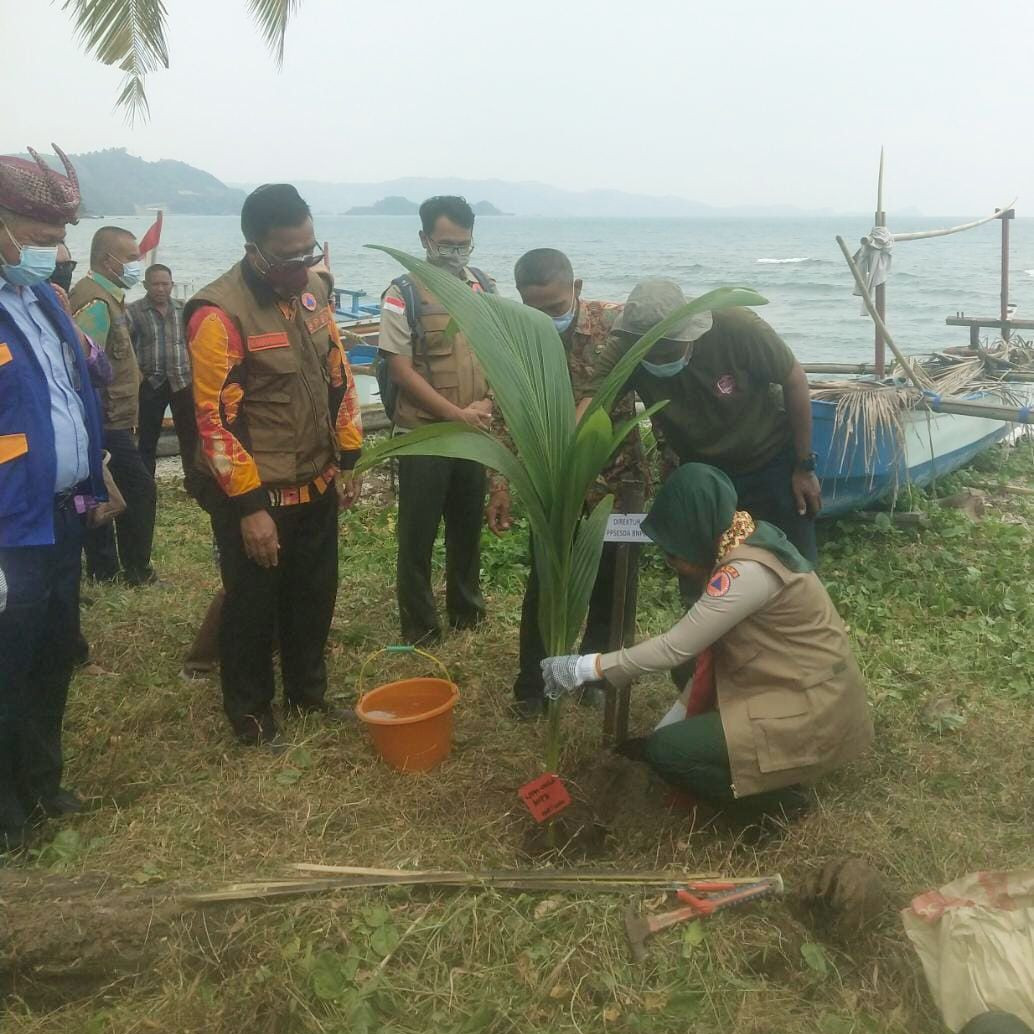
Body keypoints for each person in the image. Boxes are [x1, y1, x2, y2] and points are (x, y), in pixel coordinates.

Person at [541, 464, 872, 825]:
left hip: (812, 711)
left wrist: (583, 668)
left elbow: (674, 647)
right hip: (799, 684)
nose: (672, 563)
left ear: (696, 533)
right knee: (683, 679)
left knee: (670, 753)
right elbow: (697, 659)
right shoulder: (744, 536)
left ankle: (776, 806)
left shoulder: (742, 573)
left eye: (674, 552)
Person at [185, 183, 363, 747]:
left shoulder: (310, 291)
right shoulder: (218, 313)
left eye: (310, 251)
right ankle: (252, 714)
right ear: (254, 249)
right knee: (253, 609)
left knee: (314, 596)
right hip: (258, 494)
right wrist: (249, 508)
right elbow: (216, 424)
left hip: (316, 479)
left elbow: (338, 373)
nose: (302, 265)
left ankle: (308, 694)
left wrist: (350, 457)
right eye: (288, 256)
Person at [0, 144, 107, 851]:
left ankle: (42, 782)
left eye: (62, 238)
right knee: (5, 667)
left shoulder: (41, 298)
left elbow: (70, 391)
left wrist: (100, 477)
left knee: (49, 658)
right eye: (42, 240)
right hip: (9, 530)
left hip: (61, 514)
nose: (57, 251)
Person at [585, 279, 822, 566]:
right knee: (710, 571)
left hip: (769, 460)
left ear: (690, 332)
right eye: (651, 353)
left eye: (668, 351)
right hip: (703, 477)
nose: (659, 360)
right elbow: (589, 406)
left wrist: (803, 466)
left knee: (792, 565)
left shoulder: (736, 326)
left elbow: (793, 378)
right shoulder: (627, 348)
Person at [504, 247, 648, 718]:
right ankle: (534, 686)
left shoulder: (617, 326)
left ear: (577, 289)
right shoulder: (514, 337)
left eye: (555, 308)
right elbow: (503, 410)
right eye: (534, 309)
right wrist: (499, 485)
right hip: (554, 485)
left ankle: (596, 677)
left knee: (613, 583)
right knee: (546, 582)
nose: (545, 319)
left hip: (617, 482)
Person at [377, 195, 498, 644]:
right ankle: (421, 628)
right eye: (445, 244)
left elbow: (497, 352)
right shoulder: (402, 292)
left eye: (463, 244)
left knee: (467, 528)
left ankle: (467, 613)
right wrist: (455, 414)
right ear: (424, 239)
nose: (454, 253)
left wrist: (486, 404)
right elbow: (399, 369)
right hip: (425, 434)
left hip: (474, 432)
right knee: (418, 535)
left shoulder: (483, 287)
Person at [70, 226, 158, 585]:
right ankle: (137, 570)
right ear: (109, 260)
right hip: (105, 421)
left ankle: (103, 569)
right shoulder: (95, 303)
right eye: (132, 259)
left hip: (116, 417)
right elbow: (84, 368)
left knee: (103, 493)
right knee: (140, 491)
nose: (138, 265)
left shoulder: (109, 296)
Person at [128, 263, 197, 481]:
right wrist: (136, 373)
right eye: (155, 284)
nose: (160, 288)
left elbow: (195, 341)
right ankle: (146, 483)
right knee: (148, 438)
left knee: (190, 437)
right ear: (145, 285)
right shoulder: (134, 311)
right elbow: (125, 345)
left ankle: (195, 480)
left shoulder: (184, 309)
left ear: (172, 285)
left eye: (165, 284)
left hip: (182, 381)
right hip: (151, 383)